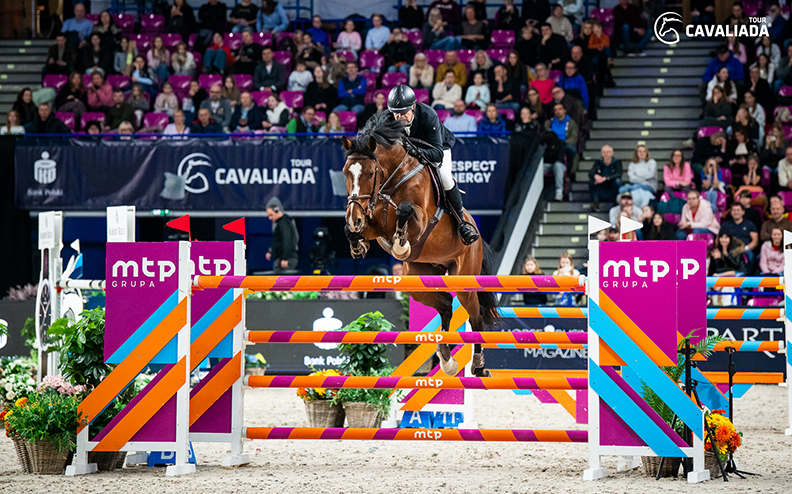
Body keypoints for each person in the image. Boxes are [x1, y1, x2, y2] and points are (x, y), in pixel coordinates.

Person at [387, 84, 479, 244]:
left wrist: (416, 152)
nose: (400, 117)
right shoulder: (387, 120)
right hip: (409, 153)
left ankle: (462, 223)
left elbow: (437, 154)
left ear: (413, 107)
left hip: (437, 148)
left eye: (404, 112)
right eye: (396, 113)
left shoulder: (428, 115)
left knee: (445, 178)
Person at [265, 197, 300, 272]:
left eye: (271, 215)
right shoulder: (281, 223)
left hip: (286, 258)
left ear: (277, 211)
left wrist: (285, 258)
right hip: (283, 257)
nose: (270, 218)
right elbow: (278, 241)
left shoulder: (284, 223)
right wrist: (271, 251)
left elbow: (287, 239)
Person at [619, 145, 657, 210]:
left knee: (633, 188)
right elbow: (631, 179)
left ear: (647, 153)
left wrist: (637, 174)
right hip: (635, 186)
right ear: (636, 153)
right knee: (621, 189)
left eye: (644, 151)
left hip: (649, 186)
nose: (642, 153)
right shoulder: (632, 164)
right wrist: (644, 176)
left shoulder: (651, 162)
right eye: (640, 151)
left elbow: (651, 175)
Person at [588, 145, 622, 211]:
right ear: (601, 154)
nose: (606, 154)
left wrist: (605, 178)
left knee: (618, 181)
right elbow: (591, 173)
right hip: (600, 185)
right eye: (604, 152)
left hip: (611, 184)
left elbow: (618, 174)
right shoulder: (598, 162)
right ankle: (595, 202)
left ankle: (616, 202)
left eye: (608, 152)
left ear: (612, 153)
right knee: (592, 181)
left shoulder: (617, 162)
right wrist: (596, 176)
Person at [541, 130, 567, 201]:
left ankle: (559, 192)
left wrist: (552, 151)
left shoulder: (561, 144)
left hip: (559, 165)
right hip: (547, 164)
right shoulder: (544, 146)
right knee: (539, 168)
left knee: (557, 166)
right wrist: (546, 149)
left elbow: (560, 158)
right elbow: (544, 159)